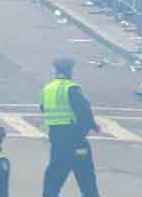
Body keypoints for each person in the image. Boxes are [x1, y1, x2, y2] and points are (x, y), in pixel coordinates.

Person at [39, 57, 100, 197]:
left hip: (57, 139)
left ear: (54, 70)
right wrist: (93, 125)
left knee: (55, 172)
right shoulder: (71, 88)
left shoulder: (47, 88)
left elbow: (43, 108)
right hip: (76, 140)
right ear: (70, 71)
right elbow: (84, 110)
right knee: (85, 173)